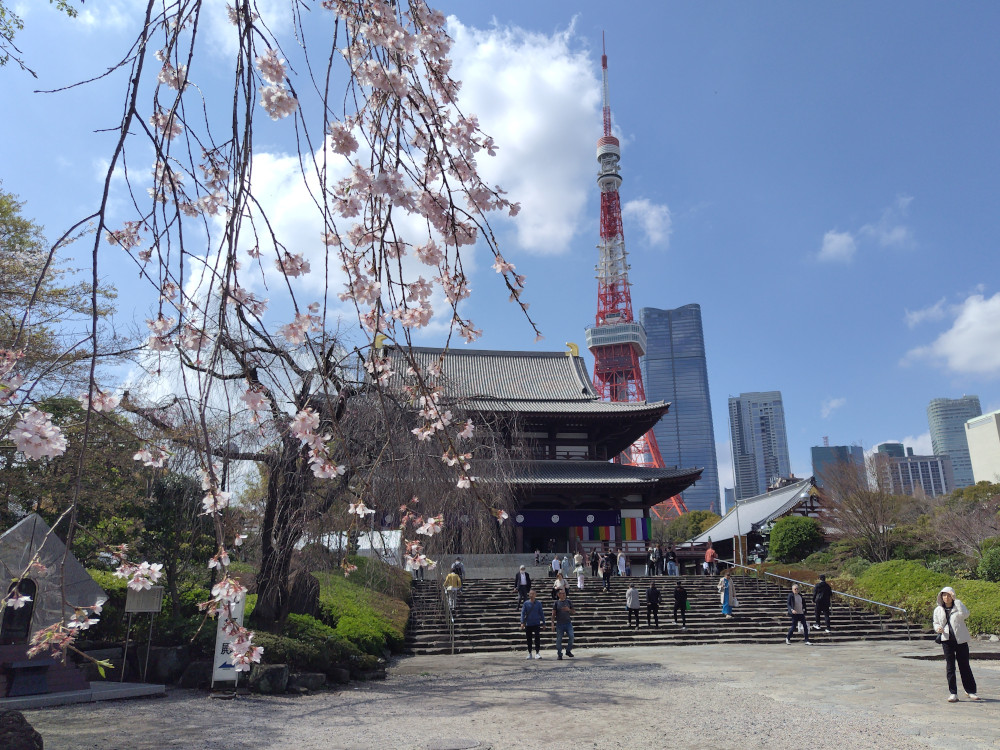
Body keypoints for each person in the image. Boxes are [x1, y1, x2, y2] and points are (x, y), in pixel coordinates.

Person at [933, 586, 979, 702]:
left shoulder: (958, 606)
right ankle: (953, 693)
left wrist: (957, 600)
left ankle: (970, 691)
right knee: (950, 667)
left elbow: (965, 614)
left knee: (964, 665)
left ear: (952, 596)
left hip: (961, 640)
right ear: (941, 597)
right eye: (944, 595)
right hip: (947, 641)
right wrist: (937, 628)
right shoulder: (938, 609)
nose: (946, 597)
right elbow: (936, 622)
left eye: (948, 595)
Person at [520, 589, 545, 659]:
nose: (531, 595)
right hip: (528, 624)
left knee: (537, 638)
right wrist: (522, 622)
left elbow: (541, 613)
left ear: (535, 595)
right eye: (530, 594)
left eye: (533, 594)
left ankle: (537, 653)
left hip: (536, 623)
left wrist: (543, 623)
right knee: (529, 639)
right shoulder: (526, 603)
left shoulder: (538, 603)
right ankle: (530, 652)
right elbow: (522, 613)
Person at [551, 588, 575, 660]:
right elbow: (553, 614)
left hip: (568, 623)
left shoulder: (568, 602)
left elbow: (574, 612)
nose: (564, 594)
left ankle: (568, 651)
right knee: (559, 639)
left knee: (571, 636)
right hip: (559, 624)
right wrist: (552, 623)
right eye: (562, 593)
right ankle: (559, 654)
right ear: (558, 595)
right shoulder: (556, 603)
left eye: (564, 593)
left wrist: (569, 610)